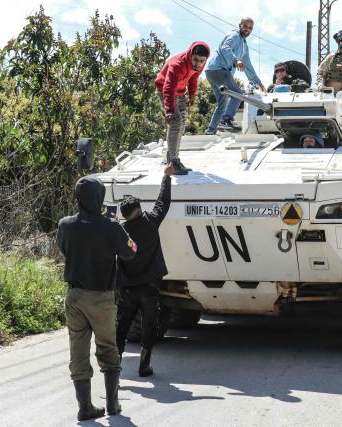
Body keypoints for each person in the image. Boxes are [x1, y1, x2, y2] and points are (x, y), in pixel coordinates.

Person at [57, 175, 138, 420]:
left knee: (78, 350)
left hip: (75, 296)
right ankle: (113, 405)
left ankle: (85, 407)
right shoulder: (110, 226)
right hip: (102, 297)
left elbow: (63, 249)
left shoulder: (65, 224)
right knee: (107, 348)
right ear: (100, 198)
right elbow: (131, 252)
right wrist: (118, 227)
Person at [116, 163, 173, 377]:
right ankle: (144, 364)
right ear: (138, 211)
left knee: (122, 326)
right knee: (150, 325)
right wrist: (166, 177)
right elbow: (162, 203)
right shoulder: (150, 222)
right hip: (150, 287)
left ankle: (116, 364)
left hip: (128, 289)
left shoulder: (120, 232)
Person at [155, 41, 210, 175]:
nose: (197, 64)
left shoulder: (199, 66)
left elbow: (194, 78)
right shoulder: (177, 64)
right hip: (166, 91)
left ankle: (173, 159)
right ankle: (173, 162)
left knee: (182, 124)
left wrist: (192, 95)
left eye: (201, 61)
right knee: (176, 122)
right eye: (195, 59)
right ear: (190, 54)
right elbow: (168, 88)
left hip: (180, 92)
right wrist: (169, 110)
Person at [204, 17, 266, 134]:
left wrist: (258, 82)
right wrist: (235, 60)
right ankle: (225, 120)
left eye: (250, 28)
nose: (247, 29)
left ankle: (211, 130)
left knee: (222, 103)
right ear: (240, 25)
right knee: (237, 94)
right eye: (245, 26)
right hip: (219, 70)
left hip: (211, 72)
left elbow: (247, 65)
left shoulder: (244, 46)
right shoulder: (234, 36)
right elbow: (225, 47)